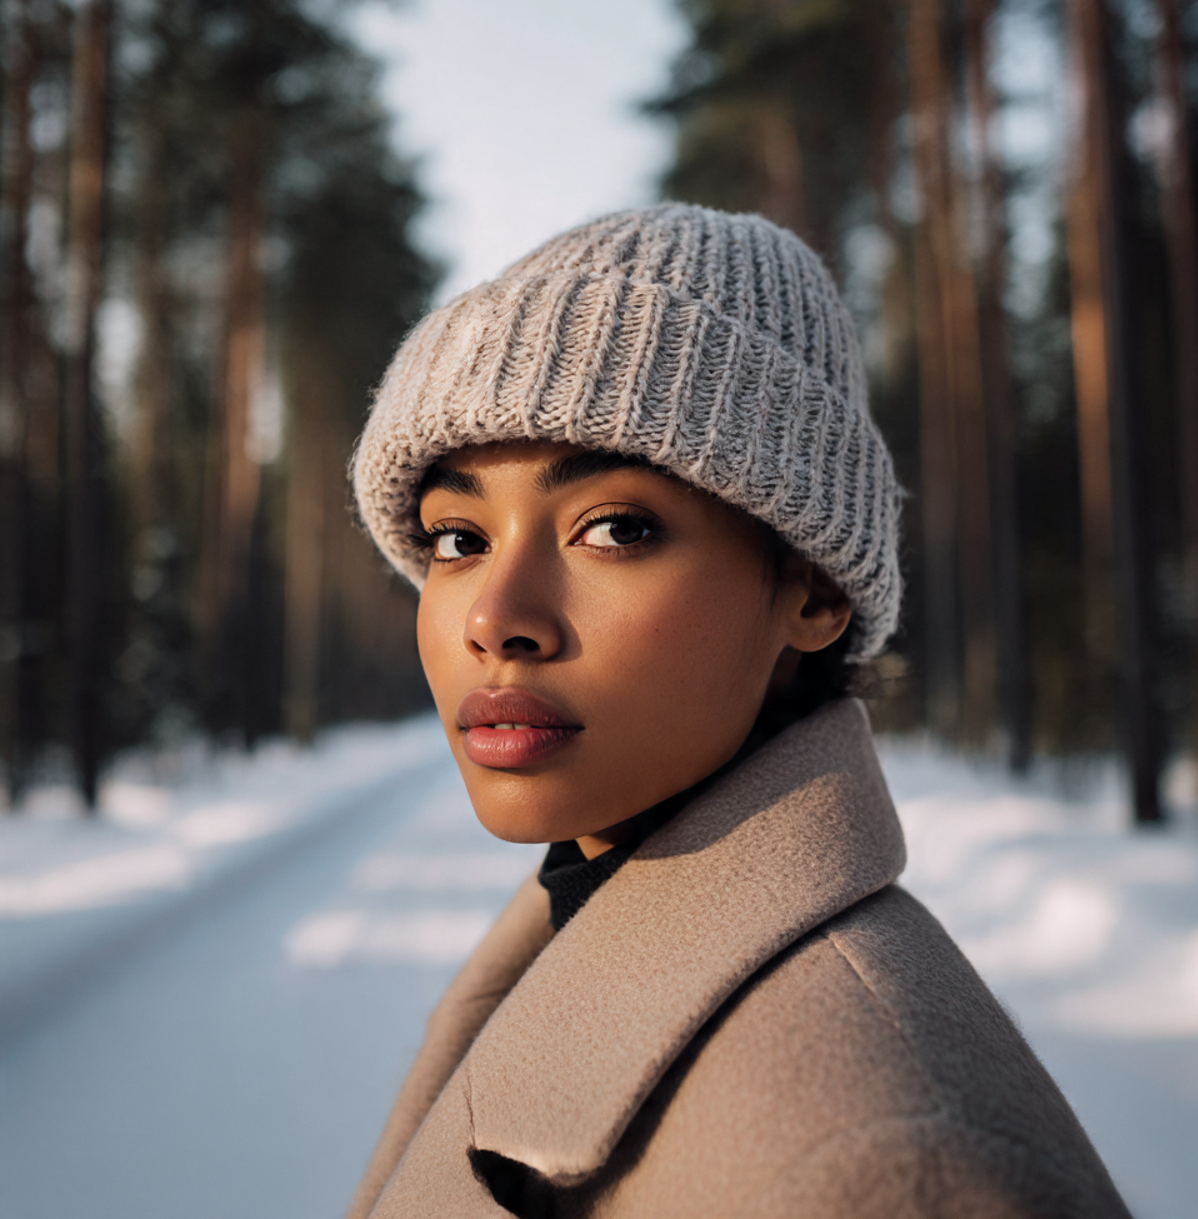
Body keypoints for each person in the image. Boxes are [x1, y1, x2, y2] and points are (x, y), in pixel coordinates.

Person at [345, 203, 1131, 1218]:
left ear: (813, 591)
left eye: (613, 528)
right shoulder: (572, 925)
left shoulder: (891, 1171)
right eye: (459, 539)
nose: (496, 619)